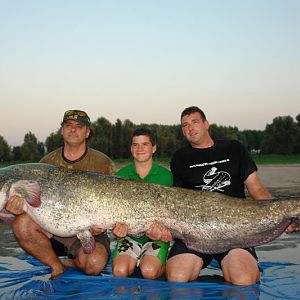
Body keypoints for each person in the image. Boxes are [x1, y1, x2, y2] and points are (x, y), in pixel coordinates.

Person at [166, 106, 272, 286]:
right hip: (195, 232)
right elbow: (178, 203)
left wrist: (279, 215)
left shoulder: (234, 148)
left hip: (234, 231)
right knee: (177, 277)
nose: (190, 128)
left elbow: (257, 189)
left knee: (243, 279)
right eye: (185, 125)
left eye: (194, 122)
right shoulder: (179, 158)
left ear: (206, 124)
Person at [5, 109, 115, 278]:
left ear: (87, 132)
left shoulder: (103, 163)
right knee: (21, 224)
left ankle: (72, 260)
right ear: (62, 130)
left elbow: (113, 204)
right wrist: (18, 209)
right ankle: (57, 266)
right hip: (51, 227)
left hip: (89, 229)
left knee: (94, 265)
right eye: (68, 125)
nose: (73, 129)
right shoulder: (46, 163)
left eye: (79, 126)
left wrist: (100, 225)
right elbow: (31, 205)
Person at [112, 128, 173, 279]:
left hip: (156, 238)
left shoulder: (167, 177)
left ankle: (163, 265)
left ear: (154, 148)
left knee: (149, 271)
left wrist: (167, 232)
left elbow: (174, 213)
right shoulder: (119, 177)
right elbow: (112, 210)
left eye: (145, 144)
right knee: (119, 271)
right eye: (135, 145)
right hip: (129, 236)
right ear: (131, 148)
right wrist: (116, 226)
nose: (139, 149)